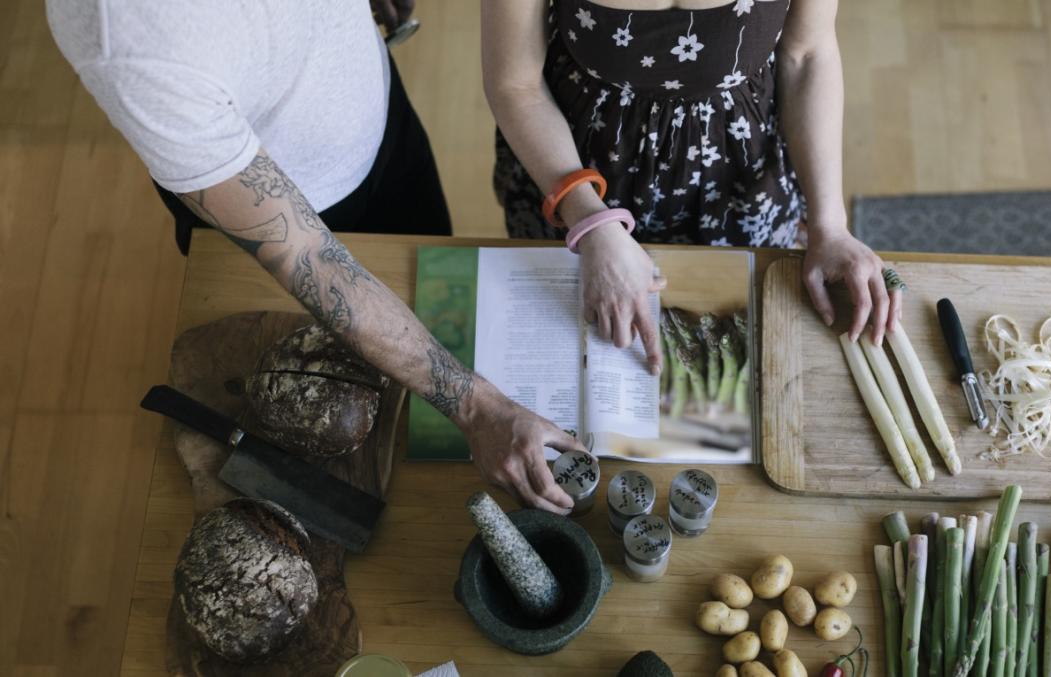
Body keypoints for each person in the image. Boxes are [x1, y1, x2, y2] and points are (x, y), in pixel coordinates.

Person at [47, 0, 584, 514]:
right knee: (352, 414)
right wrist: (477, 408)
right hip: (302, 220)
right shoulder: (129, 41)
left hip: (380, 119)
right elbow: (311, 258)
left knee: (426, 303)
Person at [484, 0, 903, 369]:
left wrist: (829, 225)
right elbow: (515, 85)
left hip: (738, 180)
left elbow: (808, 54)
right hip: (576, 172)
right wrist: (590, 222)